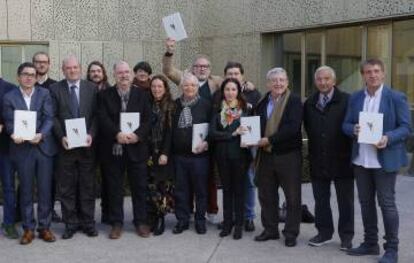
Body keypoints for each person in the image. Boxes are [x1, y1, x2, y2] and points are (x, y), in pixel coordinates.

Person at [343, 58, 411, 263]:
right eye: (368, 72)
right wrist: (352, 129)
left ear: (383, 74)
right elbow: (345, 124)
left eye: (376, 71)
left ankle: (391, 249)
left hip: (384, 160)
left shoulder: (396, 97)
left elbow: (406, 128)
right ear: (362, 75)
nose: (372, 75)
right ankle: (370, 243)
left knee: (387, 204)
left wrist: (388, 138)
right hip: (361, 160)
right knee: (365, 204)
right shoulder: (355, 98)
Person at [3, 62, 57, 244]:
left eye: (32, 75)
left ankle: (45, 227)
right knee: (25, 191)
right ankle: (28, 228)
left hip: (42, 148)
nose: (29, 77)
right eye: (25, 74)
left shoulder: (45, 93)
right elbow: (9, 121)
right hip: (21, 149)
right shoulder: (9, 97)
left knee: (44, 190)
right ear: (18, 77)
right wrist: (13, 134)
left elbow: (49, 117)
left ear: (36, 77)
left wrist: (41, 134)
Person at [98, 61, 151, 239]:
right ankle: (117, 223)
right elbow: (102, 118)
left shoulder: (142, 95)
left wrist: (138, 135)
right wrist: (116, 134)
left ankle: (141, 221)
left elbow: (148, 120)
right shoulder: (105, 95)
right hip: (114, 149)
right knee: (114, 188)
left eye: (127, 72)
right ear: (114, 75)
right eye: (120, 72)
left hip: (136, 148)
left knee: (139, 187)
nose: (124, 75)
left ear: (131, 74)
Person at [303, 65, 354, 250]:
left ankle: (346, 236)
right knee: (321, 200)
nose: (323, 82)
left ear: (334, 81)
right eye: (319, 79)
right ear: (315, 81)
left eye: (327, 79)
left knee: (345, 201)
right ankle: (324, 232)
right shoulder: (309, 103)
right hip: (318, 158)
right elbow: (308, 128)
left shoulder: (347, 100)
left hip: (343, 159)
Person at [50, 55, 98, 239]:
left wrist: (91, 134)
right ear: (63, 70)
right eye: (68, 68)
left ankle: (88, 223)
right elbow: (53, 116)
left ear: (80, 68)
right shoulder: (55, 89)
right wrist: (61, 136)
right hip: (66, 147)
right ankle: (70, 223)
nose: (72, 70)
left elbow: (96, 116)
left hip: (87, 146)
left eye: (75, 67)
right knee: (67, 188)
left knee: (87, 186)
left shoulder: (91, 88)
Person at [254, 67, 303, 247]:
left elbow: (292, 128)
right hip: (266, 155)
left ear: (287, 82)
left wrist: (269, 139)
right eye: (274, 80)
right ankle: (270, 229)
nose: (278, 83)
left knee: (292, 196)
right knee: (266, 195)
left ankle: (291, 233)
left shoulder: (294, 101)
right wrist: (248, 134)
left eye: (282, 80)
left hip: (288, 156)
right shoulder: (262, 102)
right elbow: (256, 124)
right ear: (268, 84)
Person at [214, 61, 261, 232]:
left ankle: (247, 217)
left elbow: (258, 119)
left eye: (236, 74)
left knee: (247, 182)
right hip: (226, 149)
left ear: (242, 76)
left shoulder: (253, 94)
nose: (233, 76)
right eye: (230, 74)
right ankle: (232, 217)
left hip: (246, 147)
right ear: (225, 77)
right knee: (229, 186)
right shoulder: (219, 98)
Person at [209, 78, 251, 240]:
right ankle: (227, 223)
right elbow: (212, 133)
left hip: (240, 157)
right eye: (227, 89)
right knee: (226, 191)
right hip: (222, 157)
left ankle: (239, 225)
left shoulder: (245, 110)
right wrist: (232, 134)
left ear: (238, 91)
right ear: (223, 92)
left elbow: (252, 131)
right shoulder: (218, 110)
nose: (230, 93)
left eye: (233, 89)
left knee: (239, 192)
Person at [171, 73, 212, 234]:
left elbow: (213, 129)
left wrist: (207, 142)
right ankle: (182, 220)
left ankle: (200, 220)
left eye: (193, 85)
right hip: (179, 156)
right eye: (186, 85)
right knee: (181, 190)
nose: (189, 88)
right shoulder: (174, 105)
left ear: (197, 88)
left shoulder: (206, 105)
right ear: (181, 87)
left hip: (199, 157)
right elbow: (169, 129)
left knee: (200, 190)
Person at [32, 51, 62, 223]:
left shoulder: (56, 86)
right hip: (27, 140)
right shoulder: (26, 84)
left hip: (50, 141)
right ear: (33, 63)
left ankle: (49, 211)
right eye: (38, 62)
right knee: (26, 179)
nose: (41, 65)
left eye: (44, 62)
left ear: (49, 64)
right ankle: (22, 212)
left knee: (49, 180)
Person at [146, 75, 176, 236]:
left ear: (165, 88)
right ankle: (151, 216)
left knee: (162, 188)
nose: (156, 89)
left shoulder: (171, 106)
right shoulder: (146, 104)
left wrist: (165, 153)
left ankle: (160, 218)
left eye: (160, 86)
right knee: (150, 187)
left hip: (164, 154)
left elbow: (171, 133)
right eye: (154, 87)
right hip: (149, 153)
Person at [86, 60, 110, 225]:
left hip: (108, 141)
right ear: (88, 74)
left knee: (108, 179)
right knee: (89, 180)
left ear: (103, 73)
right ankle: (87, 216)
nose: (95, 74)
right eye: (92, 71)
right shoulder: (84, 90)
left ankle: (107, 213)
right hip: (88, 141)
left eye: (98, 71)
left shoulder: (111, 91)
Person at [0, 75, 18, 239]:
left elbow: (16, 115)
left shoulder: (10, 88)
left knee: (8, 187)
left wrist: (4, 125)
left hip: (4, 147)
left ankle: (9, 223)